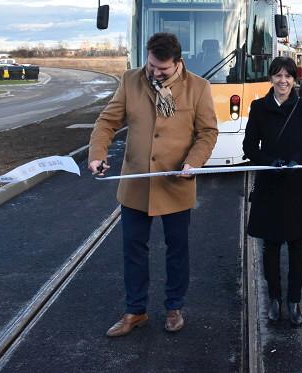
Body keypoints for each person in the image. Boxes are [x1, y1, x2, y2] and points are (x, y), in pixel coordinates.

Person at [88, 32, 218, 337]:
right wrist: (97, 154)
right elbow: (107, 122)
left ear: (178, 63)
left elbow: (208, 133)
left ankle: (174, 307)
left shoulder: (198, 87)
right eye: (151, 66)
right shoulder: (131, 80)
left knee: (177, 250)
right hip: (136, 186)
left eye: (163, 70)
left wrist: (194, 162)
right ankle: (135, 311)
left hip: (176, 183)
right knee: (133, 250)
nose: (155, 73)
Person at [243, 57, 302, 326]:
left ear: (294, 79)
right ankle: (274, 299)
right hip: (270, 183)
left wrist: (295, 160)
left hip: (298, 183)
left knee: (298, 245)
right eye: (278, 75)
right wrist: (269, 162)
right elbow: (249, 147)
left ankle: (294, 300)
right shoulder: (258, 108)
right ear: (271, 78)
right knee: (271, 245)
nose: (283, 81)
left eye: (288, 76)